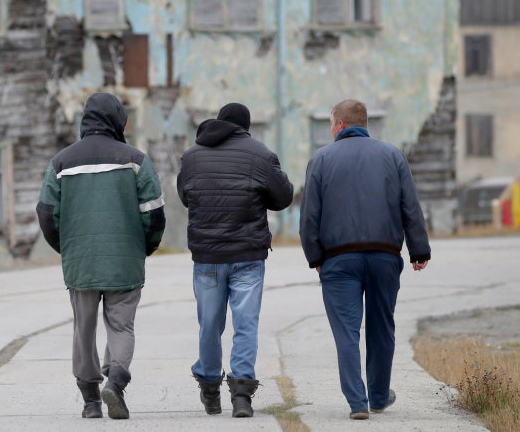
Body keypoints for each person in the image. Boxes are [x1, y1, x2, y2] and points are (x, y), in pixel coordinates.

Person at [36, 93, 166, 420]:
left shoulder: (61, 163)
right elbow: (155, 213)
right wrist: (144, 247)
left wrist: (67, 250)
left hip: (81, 263)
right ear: (118, 120)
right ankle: (117, 382)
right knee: (121, 326)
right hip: (125, 260)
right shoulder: (135, 160)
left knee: (84, 329)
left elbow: (47, 213)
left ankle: (91, 401)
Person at [299, 99, 430, 420]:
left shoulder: (321, 159)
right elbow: (409, 205)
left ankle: (357, 402)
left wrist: (315, 255)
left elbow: (309, 215)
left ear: (340, 124)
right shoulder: (392, 155)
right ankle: (380, 397)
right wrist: (419, 249)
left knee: (347, 331)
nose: (330, 129)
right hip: (385, 256)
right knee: (381, 327)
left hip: (338, 260)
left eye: (331, 123)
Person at [176, 102, 294, 417]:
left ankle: (211, 390)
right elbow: (283, 197)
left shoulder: (191, 156)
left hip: (207, 255)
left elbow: (185, 196)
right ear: (246, 125)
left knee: (209, 325)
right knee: (246, 324)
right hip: (247, 255)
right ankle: (242, 396)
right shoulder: (260, 154)